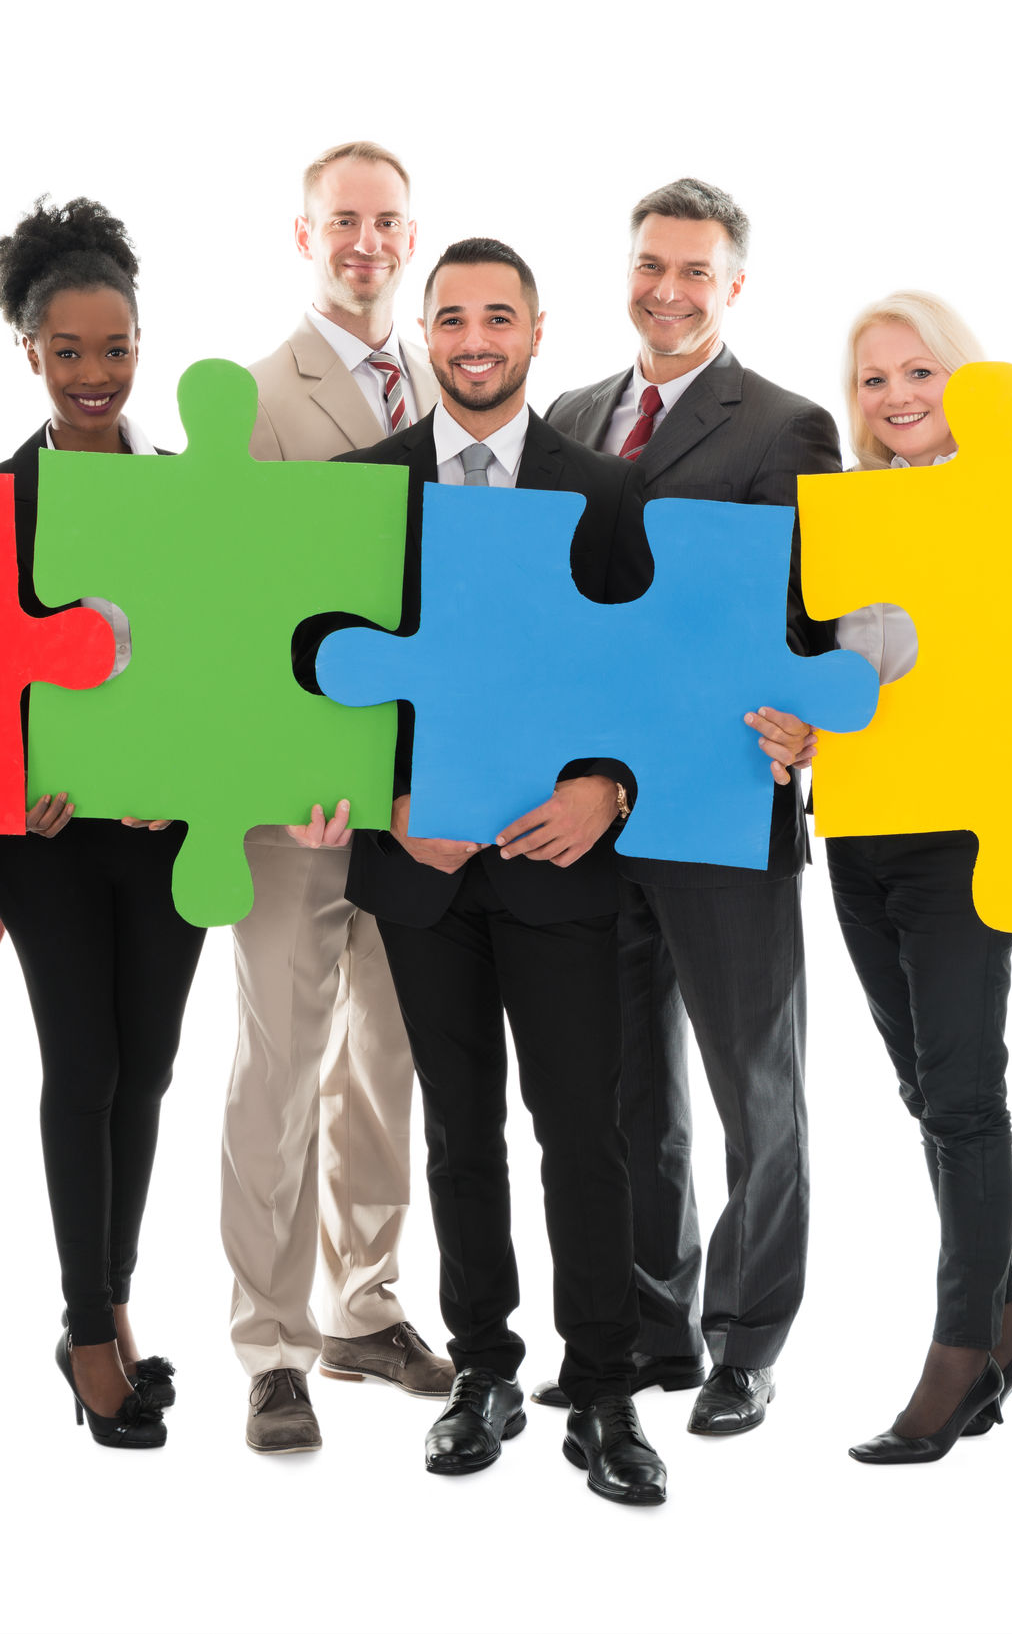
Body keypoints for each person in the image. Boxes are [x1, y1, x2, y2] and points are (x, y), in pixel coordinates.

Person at [326, 237, 666, 1505]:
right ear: (423, 330)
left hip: (562, 868)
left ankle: (607, 1386)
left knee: (583, 1130)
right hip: (421, 871)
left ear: (535, 332)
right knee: (460, 1134)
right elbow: (316, 669)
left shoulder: (604, 490)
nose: (475, 339)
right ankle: (483, 1369)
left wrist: (609, 788)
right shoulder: (363, 489)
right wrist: (387, 800)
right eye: (452, 317)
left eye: (498, 317)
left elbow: (649, 678)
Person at [534, 177, 843, 1436]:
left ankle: (745, 1339)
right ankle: (653, 1321)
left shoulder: (783, 423)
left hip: (721, 799)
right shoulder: (567, 413)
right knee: (624, 1094)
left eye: (694, 272)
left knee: (752, 1087)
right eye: (649, 264)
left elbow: (793, 615)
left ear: (733, 287)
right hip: (588, 820)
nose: (667, 290)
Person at [226, 141, 451, 1456]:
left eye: (384, 223)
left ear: (408, 234)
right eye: (341, 223)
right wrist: (282, 764)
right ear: (302, 235)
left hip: (414, 790)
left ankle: (361, 1307)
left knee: (384, 1064)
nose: (364, 242)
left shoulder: (444, 377)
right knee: (279, 1068)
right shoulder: (259, 399)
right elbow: (239, 613)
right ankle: (268, 1340)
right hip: (296, 799)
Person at [0, 197, 204, 1451]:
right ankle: (80, 1328)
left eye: (113, 348)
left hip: (166, 830)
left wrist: (194, 768)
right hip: (48, 835)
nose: (94, 375)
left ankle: (114, 1300)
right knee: (85, 1063)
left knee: (152, 1063)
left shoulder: (182, 493)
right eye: (68, 351)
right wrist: (5, 783)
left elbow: (211, 665)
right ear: (29, 352)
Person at [823, 291, 1012, 1465]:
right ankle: (1008, 1317)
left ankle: (962, 1349)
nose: (897, 397)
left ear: (961, 381)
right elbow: (831, 675)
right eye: (873, 380)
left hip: (965, 837)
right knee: (925, 1086)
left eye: (917, 373)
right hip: (856, 834)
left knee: (964, 1094)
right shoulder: (844, 514)